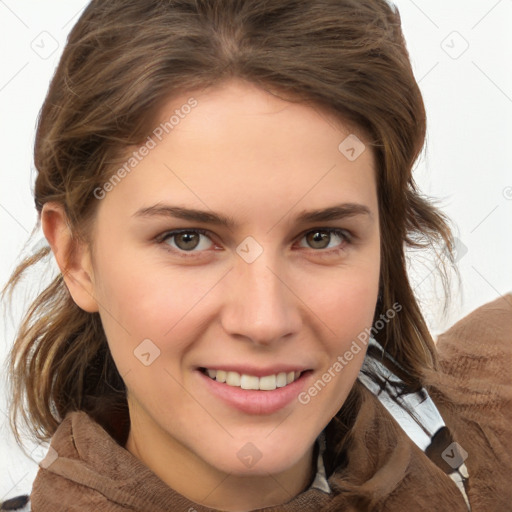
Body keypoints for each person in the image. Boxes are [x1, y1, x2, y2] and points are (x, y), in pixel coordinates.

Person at [1, 0, 511, 511]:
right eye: (188, 239)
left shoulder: (482, 454)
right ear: (75, 257)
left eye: (321, 237)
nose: (264, 321)